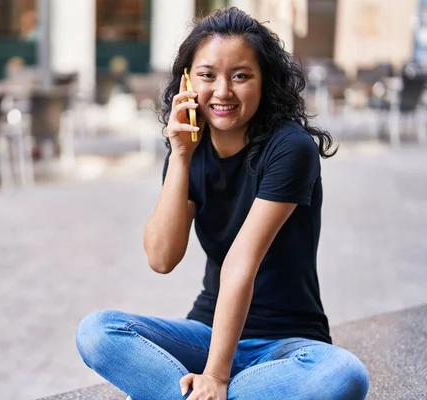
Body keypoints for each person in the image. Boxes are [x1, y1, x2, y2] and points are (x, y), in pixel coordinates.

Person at [75, 7, 369, 400]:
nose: (223, 91)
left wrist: (214, 377)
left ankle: (183, 393)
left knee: (344, 375)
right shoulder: (188, 151)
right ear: (187, 81)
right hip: (208, 334)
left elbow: (240, 263)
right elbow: (162, 258)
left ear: (265, 82)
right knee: (96, 332)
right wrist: (179, 154)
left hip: (286, 345)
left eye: (241, 76)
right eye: (207, 75)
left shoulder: (289, 148)